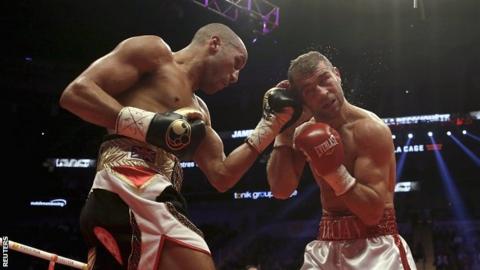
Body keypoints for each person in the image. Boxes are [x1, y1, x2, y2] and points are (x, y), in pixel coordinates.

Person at [60, 23, 299, 270]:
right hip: (131, 187)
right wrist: (149, 125)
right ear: (214, 44)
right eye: (236, 63)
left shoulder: (200, 113)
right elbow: (76, 94)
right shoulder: (154, 52)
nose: (235, 77)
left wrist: (271, 125)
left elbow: (222, 175)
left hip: (144, 197)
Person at [266, 51, 416, 269]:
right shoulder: (303, 133)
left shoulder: (369, 129)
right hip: (326, 247)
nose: (321, 93)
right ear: (302, 100)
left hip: (376, 250)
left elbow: (373, 213)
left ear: (337, 74)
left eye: (324, 80)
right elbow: (281, 190)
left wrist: (332, 170)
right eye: (309, 91)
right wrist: (284, 130)